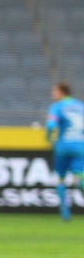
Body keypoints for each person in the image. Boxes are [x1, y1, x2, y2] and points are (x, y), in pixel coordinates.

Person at [46, 82, 84, 221]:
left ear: (62, 92)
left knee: (61, 179)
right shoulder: (81, 106)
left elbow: (51, 125)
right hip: (79, 146)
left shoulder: (57, 107)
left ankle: (65, 212)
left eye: (54, 92)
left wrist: (49, 138)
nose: (52, 94)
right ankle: (80, 182)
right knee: (80, 175)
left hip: (62, 147)